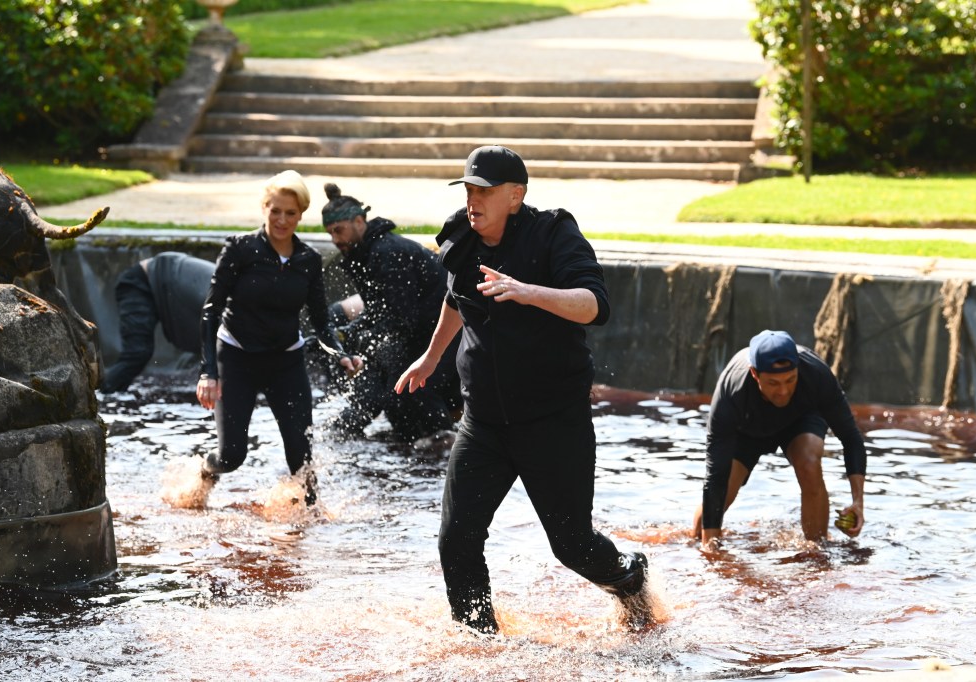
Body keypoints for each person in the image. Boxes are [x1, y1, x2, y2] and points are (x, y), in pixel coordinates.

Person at [394, 145, 653, 634]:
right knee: (456, 539)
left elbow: (593, 305)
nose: (474, 200)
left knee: (572, 546)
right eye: (469, 189)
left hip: (552, 422)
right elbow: (456, 300)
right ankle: (480, 641)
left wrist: (527, 291)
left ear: (516, 195)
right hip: (484, 422)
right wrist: (430, 359)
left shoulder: (554, 232)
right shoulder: (462, 238)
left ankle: (629, 579)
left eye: (485, 191)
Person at [196, 170, 343, 506]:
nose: (282, 219)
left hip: (285, 363)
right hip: (236, 358)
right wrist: (208, 372)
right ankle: (206, 470)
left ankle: (313, 537)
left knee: (302, 462)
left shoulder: (308, 260)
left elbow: (321, 322)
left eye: (290, 213)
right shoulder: (240, 250)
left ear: (301, 215)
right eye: (275, 210)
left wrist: (339, 353)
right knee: (232, 456)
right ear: (264, 208)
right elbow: (211, 310)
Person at [693, 329, 867, 548]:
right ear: (755, 374)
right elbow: (715, 475)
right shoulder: (732, 391)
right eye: (774, 383)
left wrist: (858, 502)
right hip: (747, 428)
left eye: (790, 379)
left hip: (799, 418)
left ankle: (818, 552)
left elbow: (851, 437)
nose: (784, 391)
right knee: (715, 510)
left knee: (809, 462)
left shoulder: (816, 374)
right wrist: (711, 552)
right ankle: (699, 543)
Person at [320, 183, 460, 443]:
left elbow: (399, 319)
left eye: (338, 230)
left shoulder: (388, 252)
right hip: (415, 333)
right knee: (383, 397)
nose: (335, 240)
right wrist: (349, 335)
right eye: (330, 233)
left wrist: (354, 336)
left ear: (359, 221)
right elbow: (379, 311)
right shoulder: (363, 253)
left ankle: (447, 453)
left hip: (446, 331)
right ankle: (404, 451)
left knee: (416, 392)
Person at [100, 252, 214, 393]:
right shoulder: (225, 302)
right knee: (138, 353)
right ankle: (100, 396)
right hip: (141, 281)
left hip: (170, 279)